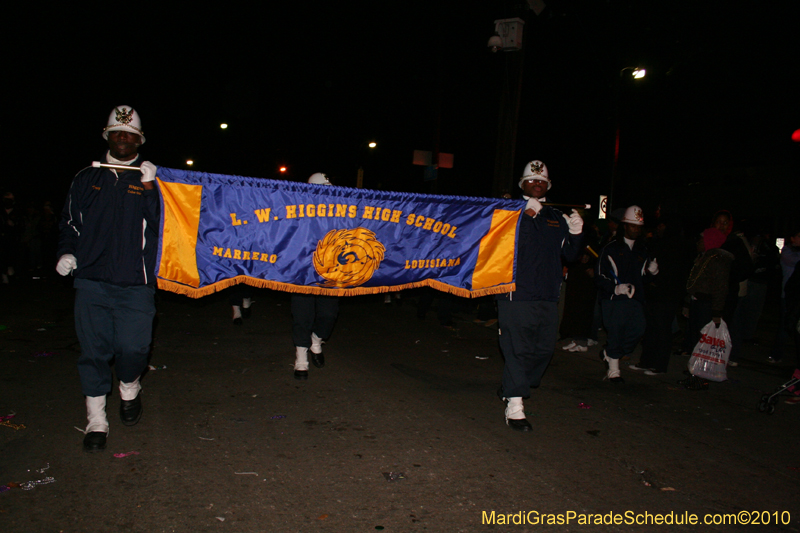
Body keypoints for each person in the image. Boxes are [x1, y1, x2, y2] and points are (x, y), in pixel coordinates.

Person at [57, 106, 159, 452]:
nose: (123, 138)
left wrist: (150, 189)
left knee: (134, 348)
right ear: (107, 136)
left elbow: (166, 229)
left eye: (130, 134)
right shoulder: (87, 177)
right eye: (117, 132)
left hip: (136, 282)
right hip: (92, 280)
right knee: (94, 352)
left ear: (139, 140)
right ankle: (96, 420)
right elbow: (70, 223)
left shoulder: (152, 180)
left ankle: (130, 386)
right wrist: (66, 252)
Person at [496, 160, 583, 431]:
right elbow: (500, 246)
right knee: (518, 349)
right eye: (532, 180)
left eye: (541, 181)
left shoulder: (556, 217)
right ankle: (515, 404)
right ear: (522, 184)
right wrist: (524, 217)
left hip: (547, 293)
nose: (537, 184)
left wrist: (577, 234)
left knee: (543, 350)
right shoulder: (507, 212)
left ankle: (514, 384)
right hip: (516, 291)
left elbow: (570, 255)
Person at [596, 205, 658, 383]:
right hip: (614, 299)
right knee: (615, 331)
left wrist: (651, 273)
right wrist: (615, 288)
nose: (635, 230)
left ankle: (611, 353)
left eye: (638, 226)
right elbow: (600, 275)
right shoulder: (611, 248)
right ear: (624, 225)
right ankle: (613, 370)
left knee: (638, 329)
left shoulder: (642, 250)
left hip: (635, 299)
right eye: (632, 225)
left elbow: (642, 279)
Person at [292, 173, 340, 380]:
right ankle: (301, 358)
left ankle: (316, 340)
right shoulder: (297, 209)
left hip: (329, 271)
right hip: (300, 272)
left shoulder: (339, 210)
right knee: (302, 316)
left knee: (329, 314)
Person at [678, 228, 733, 390]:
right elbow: (694, 283)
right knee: (696, 340)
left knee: (702, 342)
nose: (698, 243)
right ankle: (696, 372)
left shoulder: (717, 260)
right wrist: (689, 303)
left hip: (706, 305)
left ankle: (700, 377)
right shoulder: (705, 257)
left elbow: (720, 288)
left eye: (702, 240)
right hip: (699, 302)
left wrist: (716, 312)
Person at [635, 214, 687, 375]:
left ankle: (659, 365)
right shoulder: (659, 242)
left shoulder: (676, 245)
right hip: (655, 293)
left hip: (667, 294)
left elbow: (675, 272)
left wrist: (659, 281)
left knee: (662, 329)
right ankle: (646, 361)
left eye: (663, 225)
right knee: (651, 327)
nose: (659, 228)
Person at [770, 229, 800, 363]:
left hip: (797, 297)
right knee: (785, 326)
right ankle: (776, 354)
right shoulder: (788, 252)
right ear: (792, 238)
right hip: (788, 297)